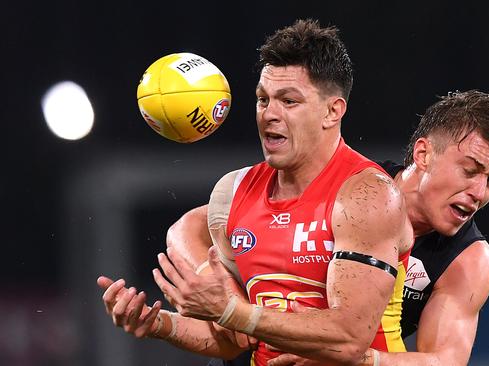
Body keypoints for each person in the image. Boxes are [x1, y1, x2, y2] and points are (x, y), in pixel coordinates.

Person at [97, 18, 413, 366]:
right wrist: (158, 323)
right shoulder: (232, 193)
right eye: (263, 99)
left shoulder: (366, 194)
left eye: (289, 101)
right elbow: (234, 340)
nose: (269, 114)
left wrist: (232, 311)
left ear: (332, 111)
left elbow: (349, 338)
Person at [166, 89, 489, 366]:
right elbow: (187, 229)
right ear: (422, 154)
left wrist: (359, 357)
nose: (478, 192)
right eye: (470, 171)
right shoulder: (352, 186)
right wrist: (223, 286)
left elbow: (444, 361)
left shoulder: (468, 260)